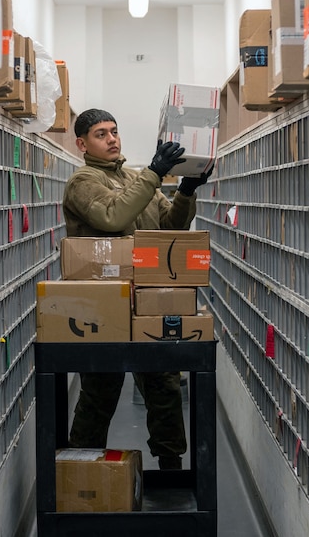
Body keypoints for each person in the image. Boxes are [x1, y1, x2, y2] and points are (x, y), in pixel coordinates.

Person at [62, 108, 212, 470]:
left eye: (114, 131)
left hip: (148, 298)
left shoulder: (134, 177)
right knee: (100, 390)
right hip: (102, 304)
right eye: (101, 134)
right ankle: (81, 473)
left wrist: (187, 191)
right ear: (83, 144)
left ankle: (171, 467)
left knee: (164, 384)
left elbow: (168, 225)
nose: (112, 139)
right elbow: (112, 216)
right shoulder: (82, 183)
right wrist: (155, 174)